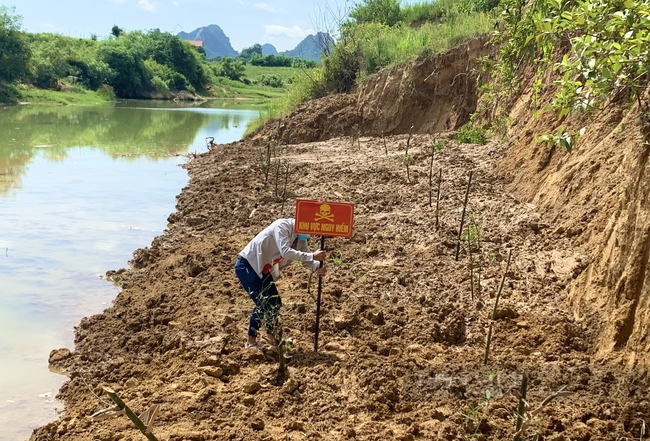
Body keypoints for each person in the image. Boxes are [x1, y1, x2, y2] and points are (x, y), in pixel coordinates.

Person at [235, 218, 327, 350]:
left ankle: (272, 337)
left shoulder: (300, 238)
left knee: (275, 302)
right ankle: (251, 342)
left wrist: (317, 266)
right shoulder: (282, 226)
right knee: (262, 304)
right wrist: (312, 255)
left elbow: (307, 257)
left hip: (263, 269)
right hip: (248, 265)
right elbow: (286, 251)